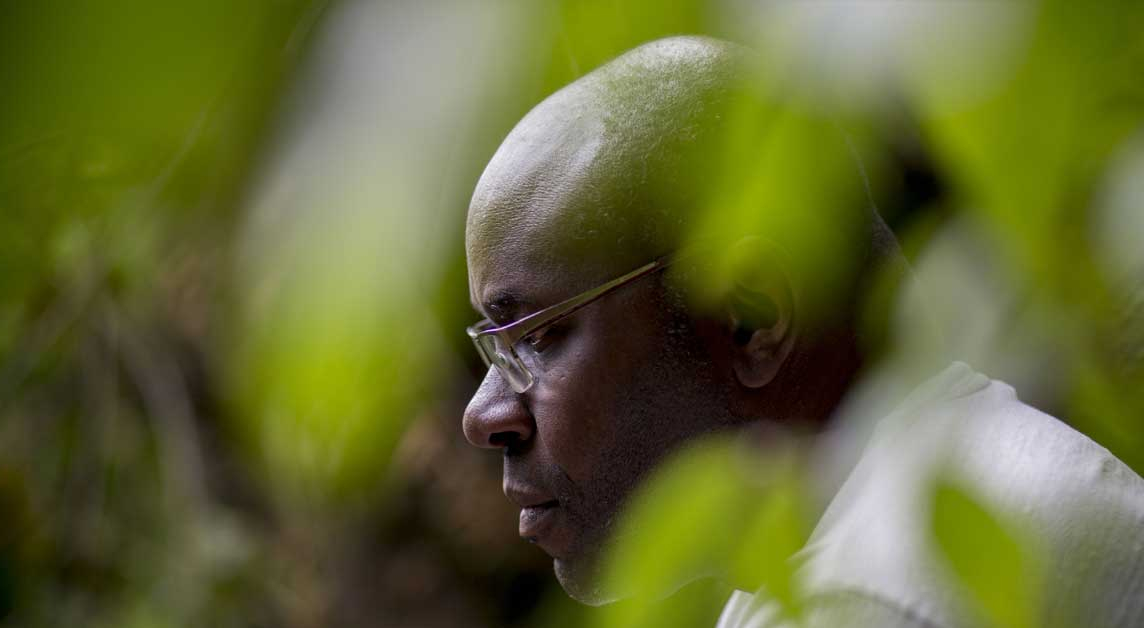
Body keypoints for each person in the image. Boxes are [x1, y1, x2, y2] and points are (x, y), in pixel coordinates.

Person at [460, 36, 1144, 627]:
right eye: (491, 346)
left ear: (751, 321)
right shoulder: (918, 504)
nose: (483, 416)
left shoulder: (871, 593)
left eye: (537, 336)